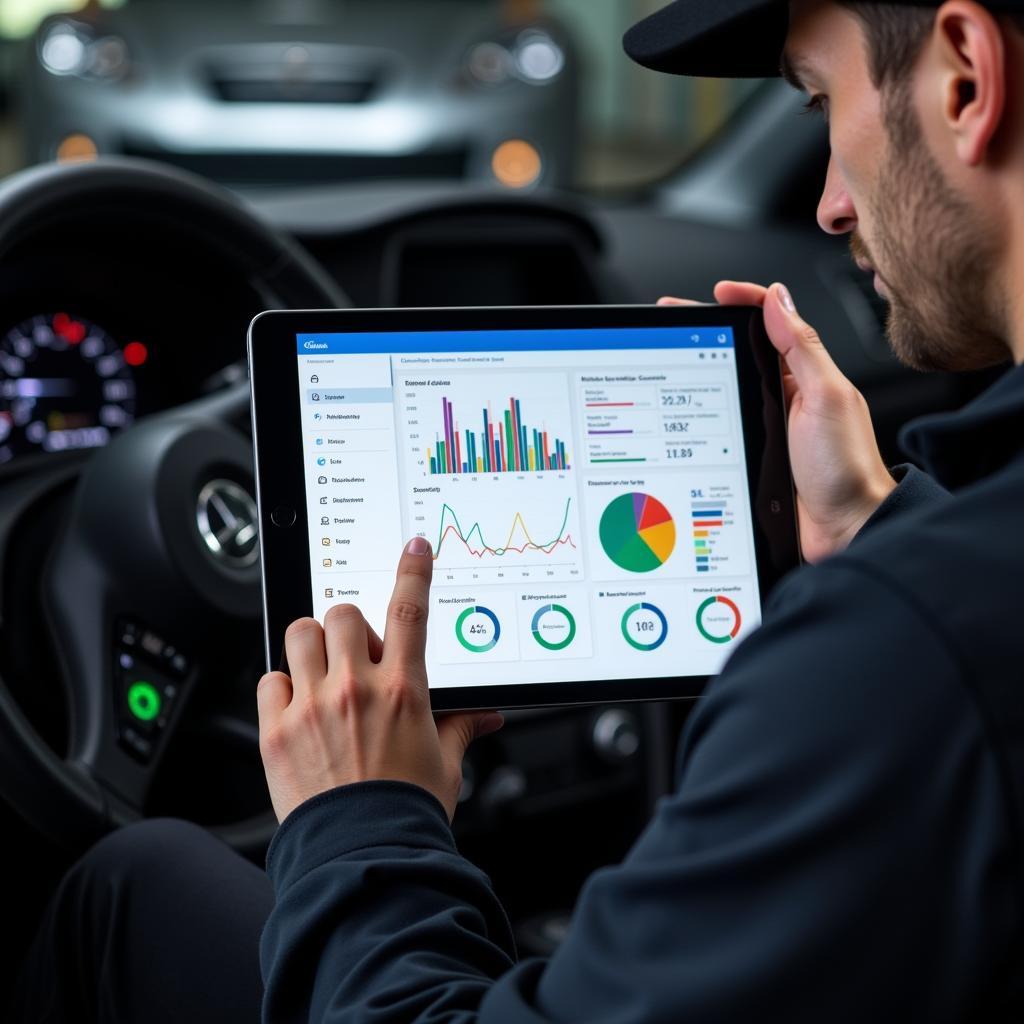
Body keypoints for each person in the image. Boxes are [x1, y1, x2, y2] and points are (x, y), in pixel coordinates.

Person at [14, 0, 1024, 1020]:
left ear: (964, 79)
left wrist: (362, 814)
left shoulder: (908, 653)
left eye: (817, 105)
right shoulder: (948, 585)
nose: (828, 208)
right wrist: (869, 531)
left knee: (128, 884)